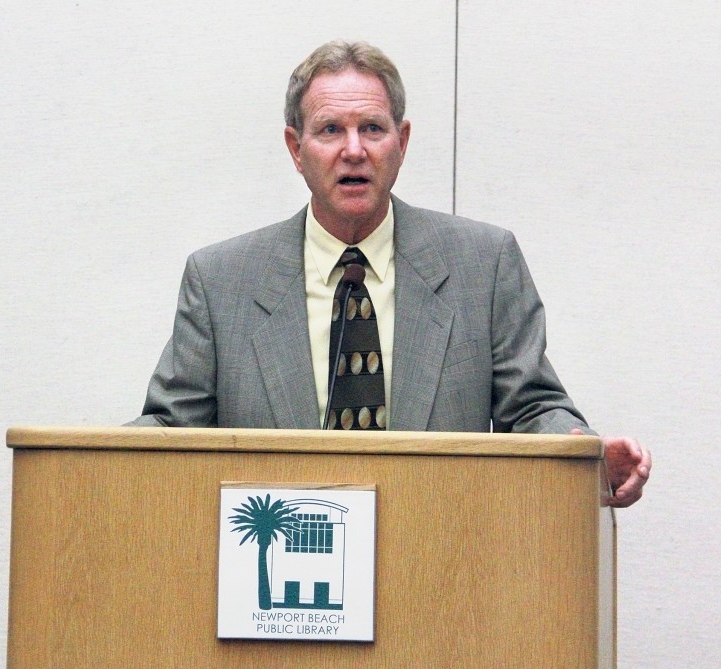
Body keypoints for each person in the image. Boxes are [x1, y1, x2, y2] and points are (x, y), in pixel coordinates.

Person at [129, 40, 650, 507]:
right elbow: (172, 431)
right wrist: (70, 462)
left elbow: (532, 409)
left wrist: (585, 456)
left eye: (372, 129)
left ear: (401, 142)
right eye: (331, 130)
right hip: (284, 592)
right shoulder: (222, 281)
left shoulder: (483, 264)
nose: (353, 150)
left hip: (440, 568)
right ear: (296, 148)